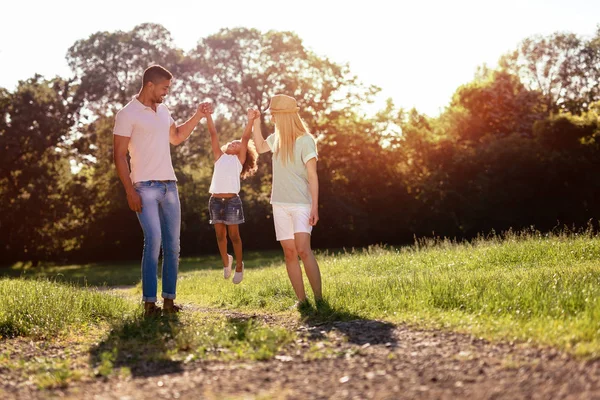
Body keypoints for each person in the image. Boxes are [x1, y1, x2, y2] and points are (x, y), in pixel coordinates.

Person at [113, 64, 210, 316]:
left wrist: (198, 115)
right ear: (150, 85)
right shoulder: (127, 114)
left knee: (173, 246)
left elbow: (176, 137)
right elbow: (119, 156)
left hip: (170, 186)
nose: (167, 93)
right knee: (153, 240)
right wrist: (129, 190)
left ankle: (168, 301)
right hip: (144, 187)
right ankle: (148, 303)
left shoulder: (164, 110)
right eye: (164, 88)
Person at [251, 94, 323, 306]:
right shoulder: (277, 139)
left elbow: (312, 176)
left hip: (301, 203)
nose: (272, 118)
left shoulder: (306, 141)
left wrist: (315, 207)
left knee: (303, 249)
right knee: (290, 253)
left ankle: (319, 300)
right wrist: (255, 122)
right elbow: (261, 146)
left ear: (284, 116)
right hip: (279, 204)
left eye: (274, 115)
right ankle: (302, 301)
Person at [204, 106, 259, 284]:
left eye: (237, 144)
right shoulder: (219, 157)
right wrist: (208, 116)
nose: (234, 143)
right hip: (215, 201)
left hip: (232, 202)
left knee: (234, 236)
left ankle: (240, 265)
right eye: (232, 142)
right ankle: (226, 261)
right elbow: (213, 134)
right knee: (220, 236)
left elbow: (245, 138)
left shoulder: (238, 160)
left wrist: (250, 119)